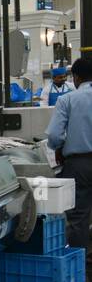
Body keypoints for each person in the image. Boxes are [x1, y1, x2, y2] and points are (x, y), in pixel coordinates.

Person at [47, 57, 92, 257]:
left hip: (79, 164)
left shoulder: (67, 99)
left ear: (76, 77)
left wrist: (58, 147)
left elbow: (55, 135)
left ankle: (79, 267)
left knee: (79, 217)